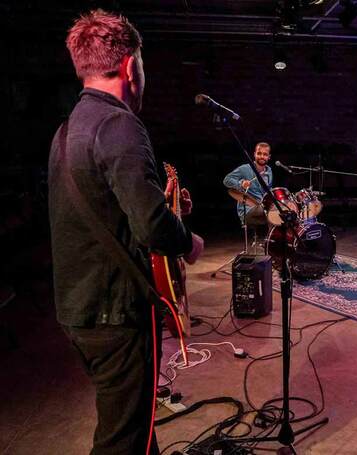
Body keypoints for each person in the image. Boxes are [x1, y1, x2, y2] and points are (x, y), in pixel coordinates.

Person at [48, 9, 204, 453]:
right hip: (116, 313)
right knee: (122, 440)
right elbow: (153, 226)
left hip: (78, 309)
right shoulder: (118, 124)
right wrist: (189, 243)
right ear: (131, 66)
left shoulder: (65, 131)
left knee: (134, 423)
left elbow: (104, 213)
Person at [223, 142, 273, 236]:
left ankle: (274, 242)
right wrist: (240, 183)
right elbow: (226, 180)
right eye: (259, 153)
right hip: (248, 209)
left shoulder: (269, 171)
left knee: (282, 212)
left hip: (263, 207)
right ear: (254, 154)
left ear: (269, 157)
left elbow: (268, 191)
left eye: (265, 154)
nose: (262, 156)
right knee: (273, 212)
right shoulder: (245, 169)